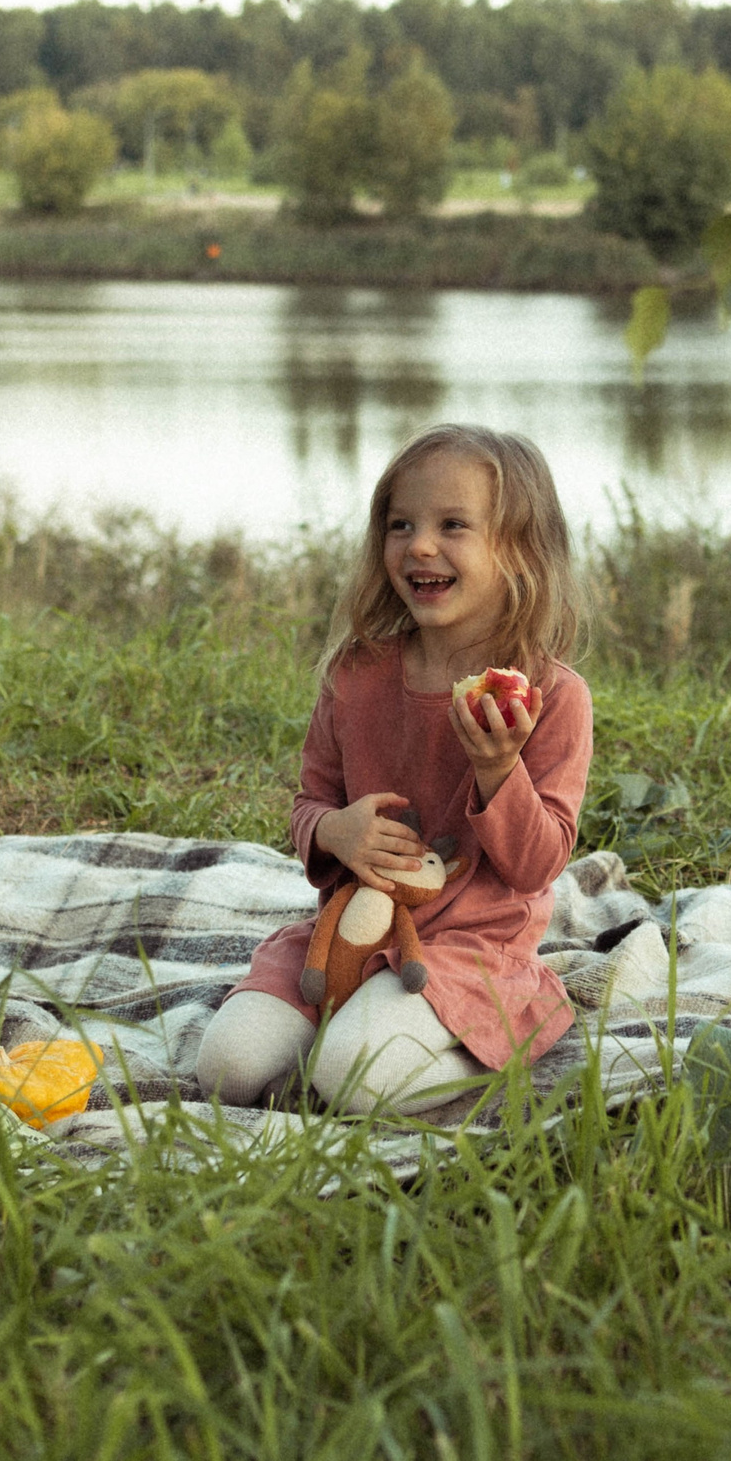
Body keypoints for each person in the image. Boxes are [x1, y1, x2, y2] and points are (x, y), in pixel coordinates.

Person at [195, 423, 592, 1115]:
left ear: (521, 549)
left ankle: (503, 1033)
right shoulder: (357, 675)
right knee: (226, 1067)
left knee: (353, 1077)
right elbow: (310, 802)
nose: (420, 545)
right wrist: (334, 831)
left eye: (453, 525)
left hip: (471, 950)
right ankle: (342, 1049)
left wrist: (500, 770)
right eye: (401, 524)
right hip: (348, 934)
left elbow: (536, 865)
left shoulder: (551, 696)